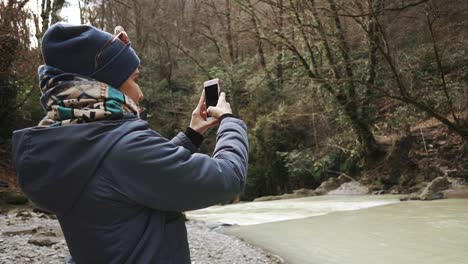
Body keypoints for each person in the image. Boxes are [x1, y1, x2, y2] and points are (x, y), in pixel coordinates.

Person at [11, 23, 248, 263]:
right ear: (105, 84)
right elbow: (228, 177)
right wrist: (230, 121)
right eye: (135, 79)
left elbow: (139, 174)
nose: (140, 92)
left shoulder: (70, 141)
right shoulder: (122, 148)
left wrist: (192, 135)